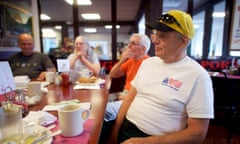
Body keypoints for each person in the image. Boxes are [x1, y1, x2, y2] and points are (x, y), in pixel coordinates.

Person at [107, 10, 214, 144]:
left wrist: (146, 142)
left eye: (163, 36)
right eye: (155, 34)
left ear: (183, 42)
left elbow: (198, 133)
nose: (155, 40)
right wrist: (114, 132)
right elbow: (129, 99)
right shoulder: (148, 63)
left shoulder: (198, 76)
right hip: (126, 129)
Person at [109, 33, 151, 100]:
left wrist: (125, 97)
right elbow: (112, 74)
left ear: (143, 49)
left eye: (133, 44)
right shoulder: (131, 61)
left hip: (134, 98)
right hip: (125, 93)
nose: (129, 46)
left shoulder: (149, 63)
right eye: (129, 43)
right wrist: (122, 60)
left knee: (103, 104)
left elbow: (146, 93)